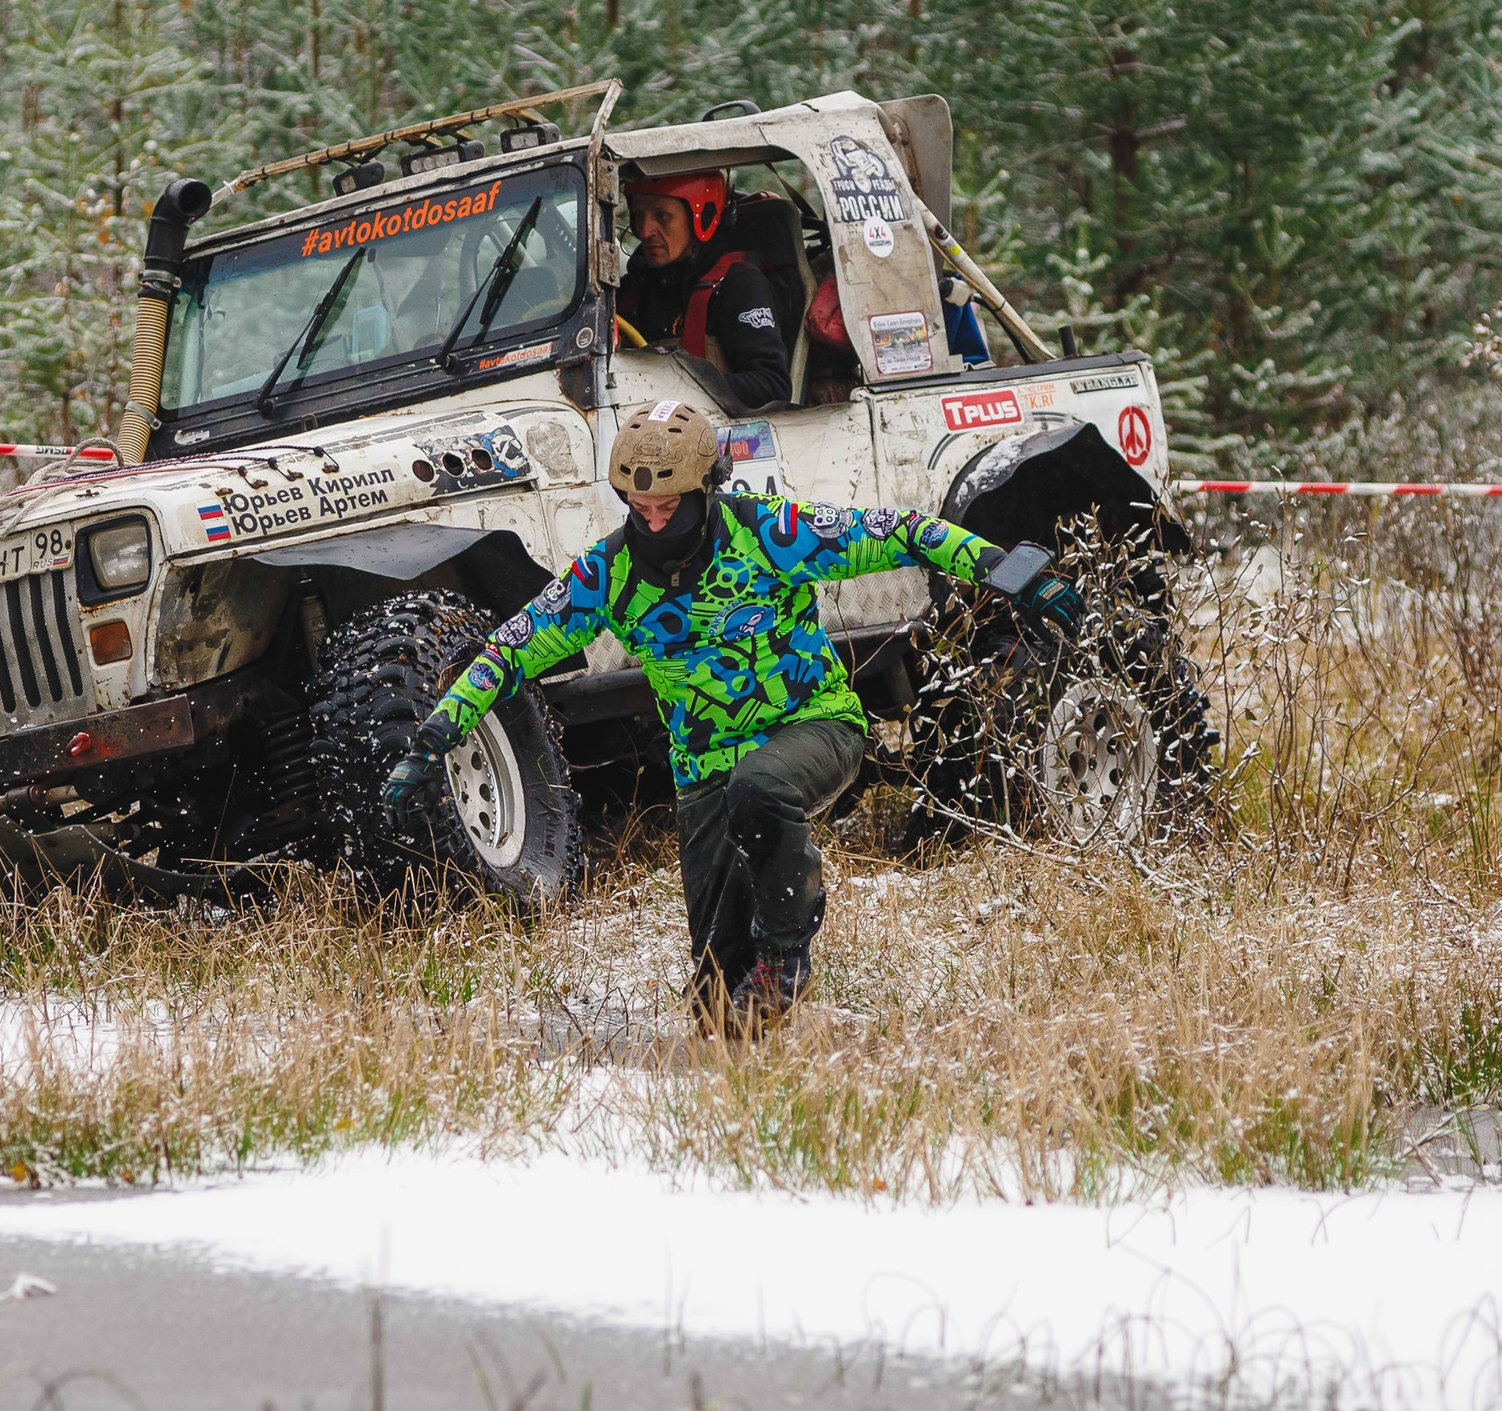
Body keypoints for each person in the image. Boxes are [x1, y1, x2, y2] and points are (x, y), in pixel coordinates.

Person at [380, 401, 1085, 1033]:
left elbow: (898, 531)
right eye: (639, 507)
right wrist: (439, 731)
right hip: (705, 776)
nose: (654, 521)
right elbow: (511, 647)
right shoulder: (608, 573)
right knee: (717, 1006)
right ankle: (766, 1078)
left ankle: (786, 957)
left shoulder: (769, 533)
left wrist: (1006, 568)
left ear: (706, 490)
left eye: (670, 507)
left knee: (763, 786)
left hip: (813, 725)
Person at [618, 171, 793, 410]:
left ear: (700, 217)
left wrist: (677, 388)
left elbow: (772, 385)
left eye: (662, 215)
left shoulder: (738, 284)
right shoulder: (631, 291)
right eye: (639, 215)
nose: (645, 231)